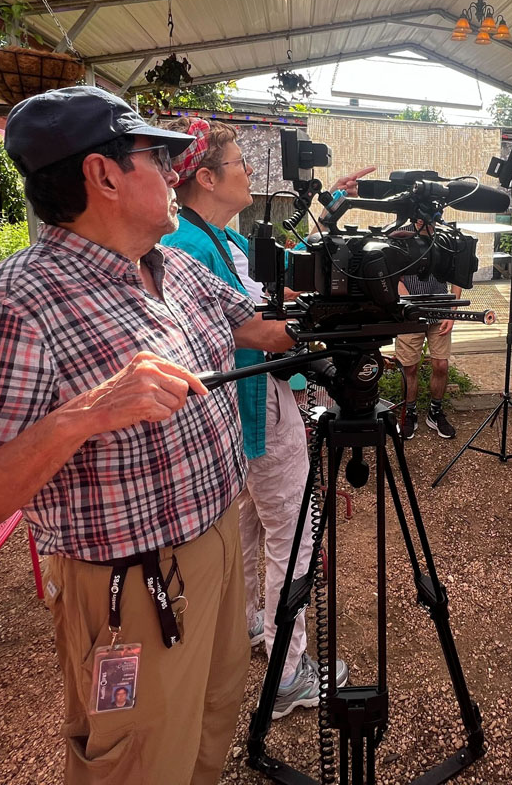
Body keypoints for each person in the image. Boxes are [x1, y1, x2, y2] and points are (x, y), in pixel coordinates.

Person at [0, 86, 296, 785]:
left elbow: (263, 330)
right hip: (133, 588)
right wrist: (84, 414)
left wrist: (369, 300)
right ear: (104, 174)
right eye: (158, 157)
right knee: (138, 763)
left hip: (217, 545)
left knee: (208, 731)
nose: (175, 172)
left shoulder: (175, 267)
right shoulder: (17, 305)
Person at [159, 117, 364, 718]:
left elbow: (284, 273)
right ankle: (288, 671)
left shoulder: (218, 237)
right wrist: (339, 328)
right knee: (293, 533)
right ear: (206, 178)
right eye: (240, 163)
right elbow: (254, 327)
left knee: (252, 522)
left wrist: (330, 209)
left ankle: (254, 622)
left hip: (247, 410)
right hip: (255, 404)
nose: (250, 171)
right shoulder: (191, 248)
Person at [395, 221, 460, 439]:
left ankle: (435, 412)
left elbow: (458, 276)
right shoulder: (400, 235)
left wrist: (452, 312)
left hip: (440, 310)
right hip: (410, 313)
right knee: (409, 367)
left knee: (441, 364)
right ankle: (409, 412)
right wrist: (409, 304)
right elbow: (392, 275)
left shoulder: (446, 238)